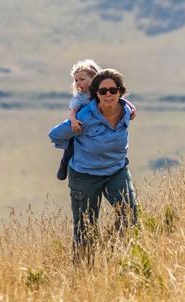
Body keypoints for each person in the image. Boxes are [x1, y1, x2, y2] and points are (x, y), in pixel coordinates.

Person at [48, 68, 138, 264]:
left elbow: (130, 108)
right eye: (102, 91)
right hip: (85, 175)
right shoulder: (85, 115)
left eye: (113, 90)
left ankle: (115, 255)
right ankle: (83, 273)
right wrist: (76, 147)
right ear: (95, 93)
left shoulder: (127, 112)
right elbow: (55, 134)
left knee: (130, 215)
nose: (108, 95)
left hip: (116, 170)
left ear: (120, 92)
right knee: (85, 228)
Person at [56, 60, 136, 180]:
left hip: (97, 126)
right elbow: (72, 111)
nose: (78, 83)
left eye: (82, 79)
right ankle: (64, 164)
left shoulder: (103, 91)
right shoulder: (80, 98)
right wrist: (73, 121)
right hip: (81, 126)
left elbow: (119, 99)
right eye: (76, 80)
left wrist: (131, 108)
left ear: (93, 78)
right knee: (71, 147)